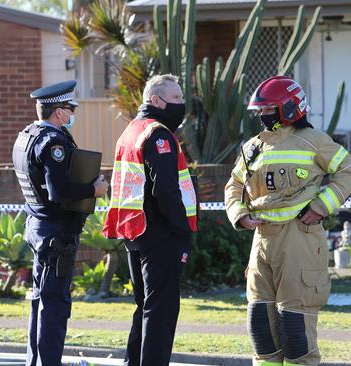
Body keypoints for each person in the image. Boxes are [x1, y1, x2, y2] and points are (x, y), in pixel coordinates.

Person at [224, 76, 351, 366]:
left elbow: (349, 170)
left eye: (268, 109)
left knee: (295, 327)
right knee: (261, 324)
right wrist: (240, 215)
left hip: (299, 237)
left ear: (288, 108)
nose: (262, 116)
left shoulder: (313, 141)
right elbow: (233, 185)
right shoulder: (253, 148)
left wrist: (321, 207)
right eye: (260, 111)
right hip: (262, 240)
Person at [102, 74, 198, 366]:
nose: (183, 104)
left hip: (135, 233)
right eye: (177, 98)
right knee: (161, 313)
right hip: (161, 235)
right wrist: (183, 232)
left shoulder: (131, 131)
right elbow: (166, 191)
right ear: (156, 100)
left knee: (145, 308)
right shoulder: (158, 135)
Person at [12, 80, 109, 366]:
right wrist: (94, 190)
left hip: (38, 225)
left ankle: (37, 361)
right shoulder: (54, 142)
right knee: (54, 305)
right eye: (70, 108)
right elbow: (60, 192)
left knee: (40, 300)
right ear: (59, 112)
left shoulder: (27, 135)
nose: (72, 113)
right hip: (56, 233)